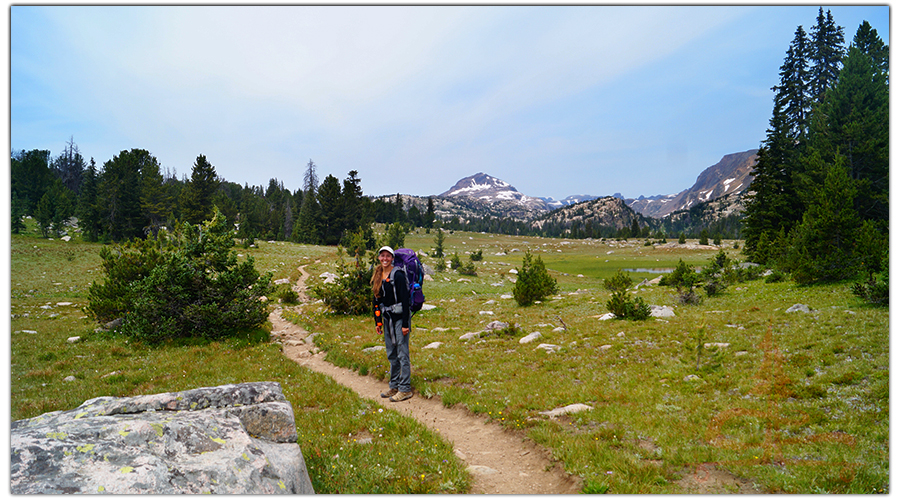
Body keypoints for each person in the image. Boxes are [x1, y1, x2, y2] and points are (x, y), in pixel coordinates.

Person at [371, 246, 413, 402]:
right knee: (391, 353)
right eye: (382, 256)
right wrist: (378, 322)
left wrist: (405, 324)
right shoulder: (378, 275)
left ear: (392, 258)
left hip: (400, 319)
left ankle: (405, 388)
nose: (385, 259)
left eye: (388, 256)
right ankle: (394, 385)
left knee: (402, 353)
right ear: (379, 257)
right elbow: (376, 300)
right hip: (387, 319)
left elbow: (405, 300)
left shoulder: (399, 275)